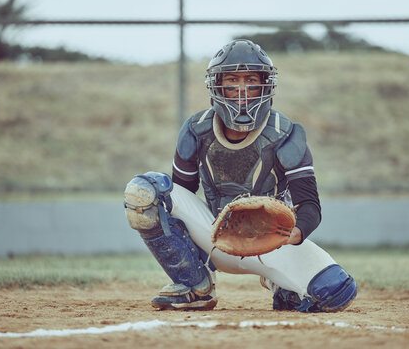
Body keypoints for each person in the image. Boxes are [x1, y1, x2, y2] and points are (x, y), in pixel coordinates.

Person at [123, 39, 357, 312]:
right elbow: (179, 199)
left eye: (251, 81)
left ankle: (278, 283)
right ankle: (195, 285)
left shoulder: (285, 134)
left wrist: (288, 236)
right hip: (214, 236)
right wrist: (191, 248)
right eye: (232, 80)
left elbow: (310, 208)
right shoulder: (197, 130)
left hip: (270, 242)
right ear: (217, 85)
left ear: (266, 85)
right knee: (144, 191)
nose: (242, 91)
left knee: (336, 290)